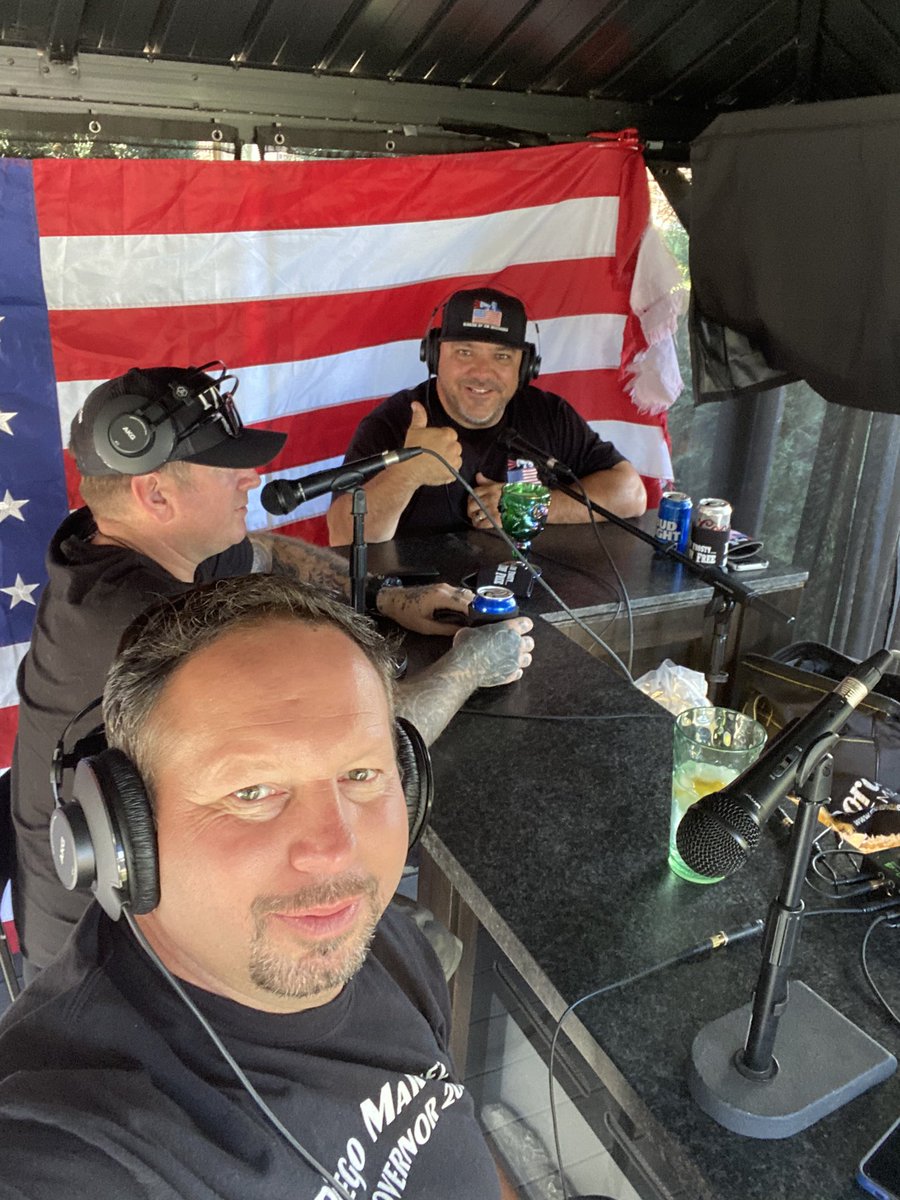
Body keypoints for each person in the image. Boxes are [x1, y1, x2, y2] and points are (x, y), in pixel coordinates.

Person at [0, 576, 517, 1198]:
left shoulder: (388, 942)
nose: (335, 850)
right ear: (122, 835)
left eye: (360, 774)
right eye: (252, 792)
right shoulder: (74, 1135)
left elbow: (448, 1132)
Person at [11, 362, 533, 975]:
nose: (250, 478)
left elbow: (261, 552)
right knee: (423, 950)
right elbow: (356, 751)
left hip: (162, 896)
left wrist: (388, 596)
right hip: (119, 968)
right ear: (155, 494)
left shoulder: (119, 540)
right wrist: (469, 667)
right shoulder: (147, 627)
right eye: (225, 466)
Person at [327, 287, 647, 544]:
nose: (482, 373)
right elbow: (342, 535)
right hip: (420, 600)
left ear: (525, 367)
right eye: (465, 352)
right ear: (434, 356)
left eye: (501, 357)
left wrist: (532, 507)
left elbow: (631, 494)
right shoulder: (394, 422)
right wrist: (406, 473)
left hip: (528, 593)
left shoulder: (548, 414)